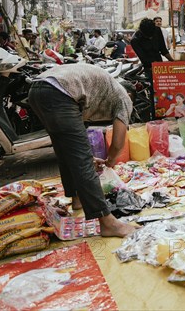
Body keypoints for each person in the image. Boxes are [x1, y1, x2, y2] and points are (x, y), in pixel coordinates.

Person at [27, 63, 138, 237]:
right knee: (82, 162)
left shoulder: (98, 94)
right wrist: (110, 161)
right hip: (59, 91)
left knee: (64, 151)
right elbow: (118, 142)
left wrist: (89, 156)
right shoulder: (124, 97)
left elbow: (73, 144)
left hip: (37, 89)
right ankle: (108, 223)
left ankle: (77, 198)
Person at [131, 18, 174, 119]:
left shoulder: (157, 31)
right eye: (148, 36)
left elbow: (163, 49)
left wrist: (173, 62)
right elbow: (144, 60)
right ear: (142, 32)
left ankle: (166, 112)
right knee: (154, 93)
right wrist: (155, 68)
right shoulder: (135, 40)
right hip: (149, 69)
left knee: (165, 90)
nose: (150, 38)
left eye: (152, 36)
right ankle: (155, 116)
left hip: (160, 66)